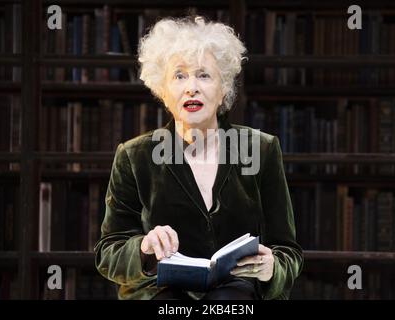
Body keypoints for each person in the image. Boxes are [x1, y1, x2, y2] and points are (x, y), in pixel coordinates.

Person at [94, 16, 303, 300]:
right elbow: (109, 252)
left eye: (204, 75)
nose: (191, 87)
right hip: (162, 293)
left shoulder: (261, 149)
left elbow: (287, 251)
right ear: (163, 92)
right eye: (179, 76)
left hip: (237, 294)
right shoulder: (134, 156)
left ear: (224, 89)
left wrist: (272, 269)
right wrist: (143, 248)